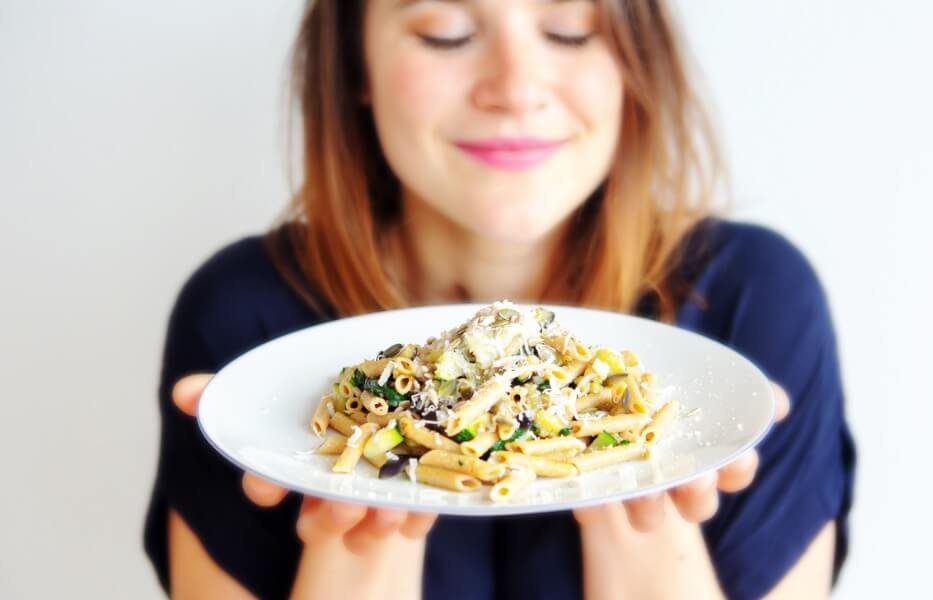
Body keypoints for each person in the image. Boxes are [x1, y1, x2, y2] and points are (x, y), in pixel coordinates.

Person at [143, 1, 855, 598]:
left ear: (636, 59)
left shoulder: (752, 306)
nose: (516, 88)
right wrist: (358, 540)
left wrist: (631, 490)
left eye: (570, 28)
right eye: (446, 31)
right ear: (354, 64)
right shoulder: (247, 331)